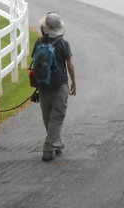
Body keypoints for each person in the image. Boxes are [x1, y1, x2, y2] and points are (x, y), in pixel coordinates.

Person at [33, 11, 76, 161]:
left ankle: (56, 145)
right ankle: (48, 149)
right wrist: (74, 84)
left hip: (44, 86)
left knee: (48, 117)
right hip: (59, 85)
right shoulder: (63, 43)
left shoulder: (38, 43)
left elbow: (35, 65)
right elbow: (70, 66)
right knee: (57, 118)